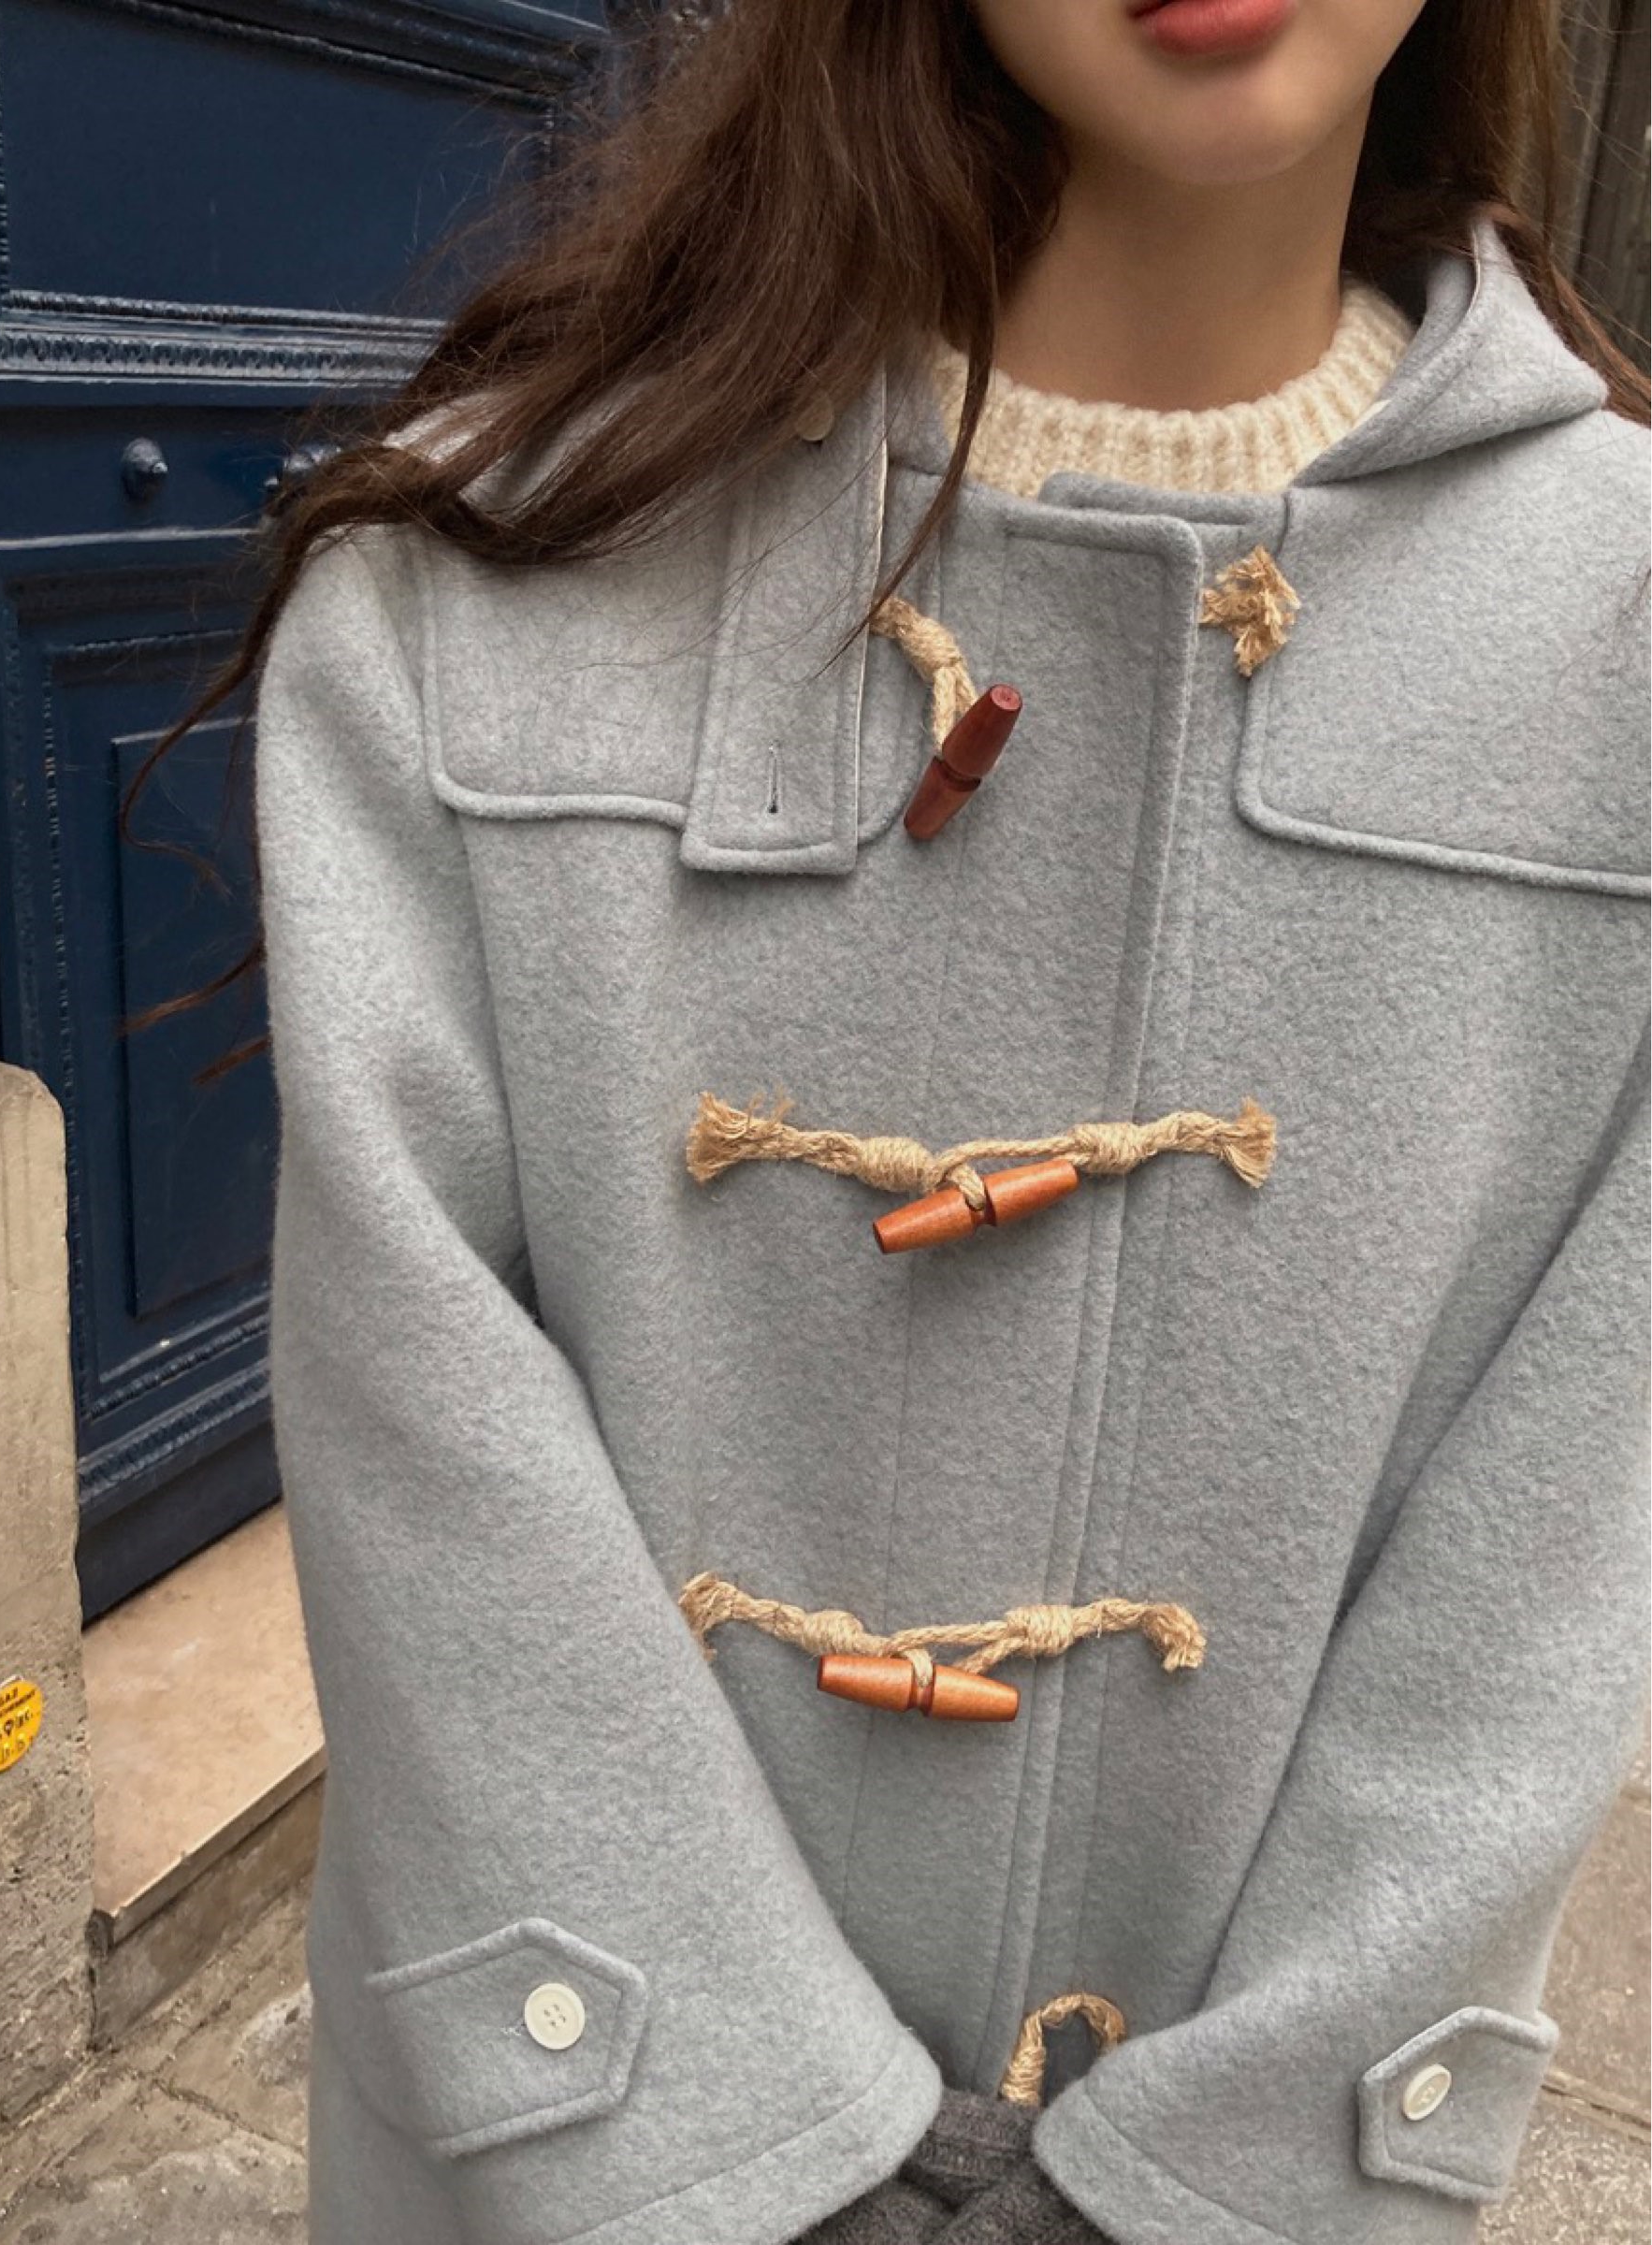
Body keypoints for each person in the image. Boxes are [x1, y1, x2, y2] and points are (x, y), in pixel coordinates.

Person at [138, 2, 1651, 2239]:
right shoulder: (480, 583)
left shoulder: (1620, 643)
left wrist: (1204, 2178)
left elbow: (1568, 1546)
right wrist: (743, 2152)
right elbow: (416, 1432)